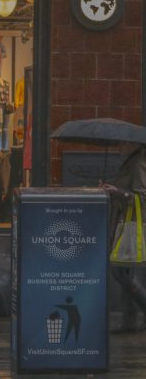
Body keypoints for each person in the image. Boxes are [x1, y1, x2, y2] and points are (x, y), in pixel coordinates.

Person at [102, 141, 146, 333]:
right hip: (126, 222)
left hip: (134, 224)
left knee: (121, 271)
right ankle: (129, 322)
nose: (118, 146)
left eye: (122, 144)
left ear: (132, 144)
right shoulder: (132, 160)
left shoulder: (138, 162)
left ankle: (133, 318)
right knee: (126, 270)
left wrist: (116, 191)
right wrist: (111, 189)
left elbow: (142, 197)